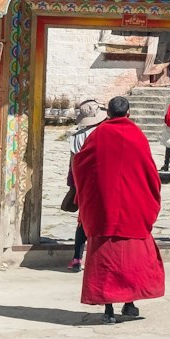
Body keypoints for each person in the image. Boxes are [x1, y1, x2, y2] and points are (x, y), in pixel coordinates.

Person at [72, 94, 164, 324]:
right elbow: (151, 173)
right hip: (133, 209)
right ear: (129, 113)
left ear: (109, 114)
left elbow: (81, 165)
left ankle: (109, 311)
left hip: (105, 209)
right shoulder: (137, 135)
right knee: (130, 260)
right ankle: (129, 304)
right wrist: (148, 200)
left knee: (107, 261)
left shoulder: (98, 135)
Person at [65, 99, 105, 271]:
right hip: (103, 182)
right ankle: (100, 258)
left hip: (83, 183)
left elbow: (73, 163)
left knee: (83, 220)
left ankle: (77, 258)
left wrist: (73, 184)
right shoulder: (104, 133)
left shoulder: (76, 137)